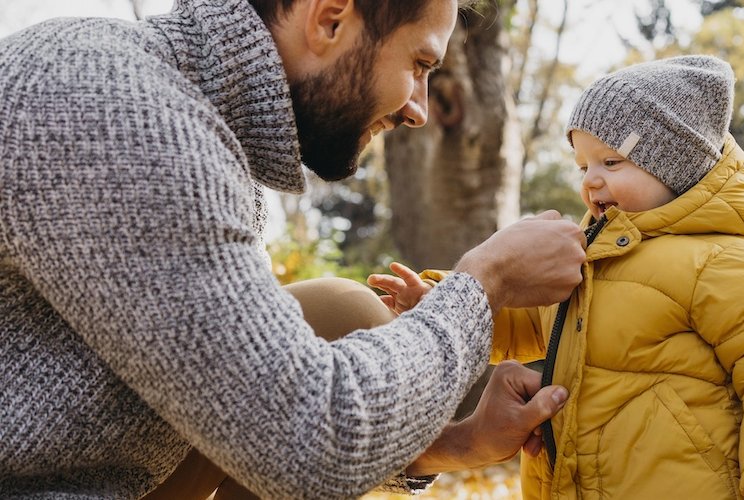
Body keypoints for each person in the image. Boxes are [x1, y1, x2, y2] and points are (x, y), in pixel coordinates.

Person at [0, 0, 588, 497]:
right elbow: (306, 438)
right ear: (330, 20)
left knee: (340, 315)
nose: (418, 109)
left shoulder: (190, 121)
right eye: (418, 63)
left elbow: (240, 385)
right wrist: (485, 283)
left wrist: (454, 446)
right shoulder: (114, 112)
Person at [368, 56, 744, 499]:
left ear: (675, 165)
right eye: (583, 165)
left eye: (611, 163)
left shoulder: (726, 258)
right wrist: (441, 302)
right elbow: (530, 321)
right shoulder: (587, 255)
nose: (590, 181)